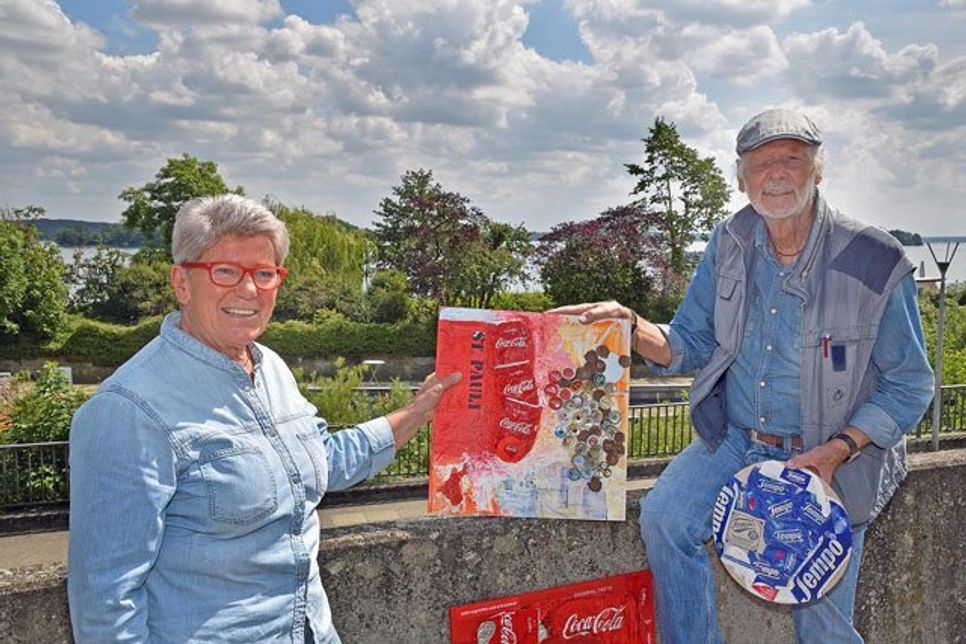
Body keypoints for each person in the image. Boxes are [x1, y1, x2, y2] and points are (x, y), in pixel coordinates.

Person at [551, 108, 933, 642]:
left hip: (829, 457)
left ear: (818, 170)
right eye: (759, 163)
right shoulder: (729, 240)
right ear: (741, 178)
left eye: (791, 159)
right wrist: (631, 325)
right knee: (666, 519)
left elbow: (910, 383)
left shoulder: (874, 257)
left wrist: (838, 449)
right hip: (736, 440)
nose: (775, 174)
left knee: (820, 622)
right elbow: (692, 340)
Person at [68, 194, 461, 643]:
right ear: (181, 282)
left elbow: (321, 461)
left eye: (264, 273)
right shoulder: (128, 408)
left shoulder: (270, 367)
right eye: (225, 271)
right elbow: (105, 601)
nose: (249, 290)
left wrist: (417, 411)